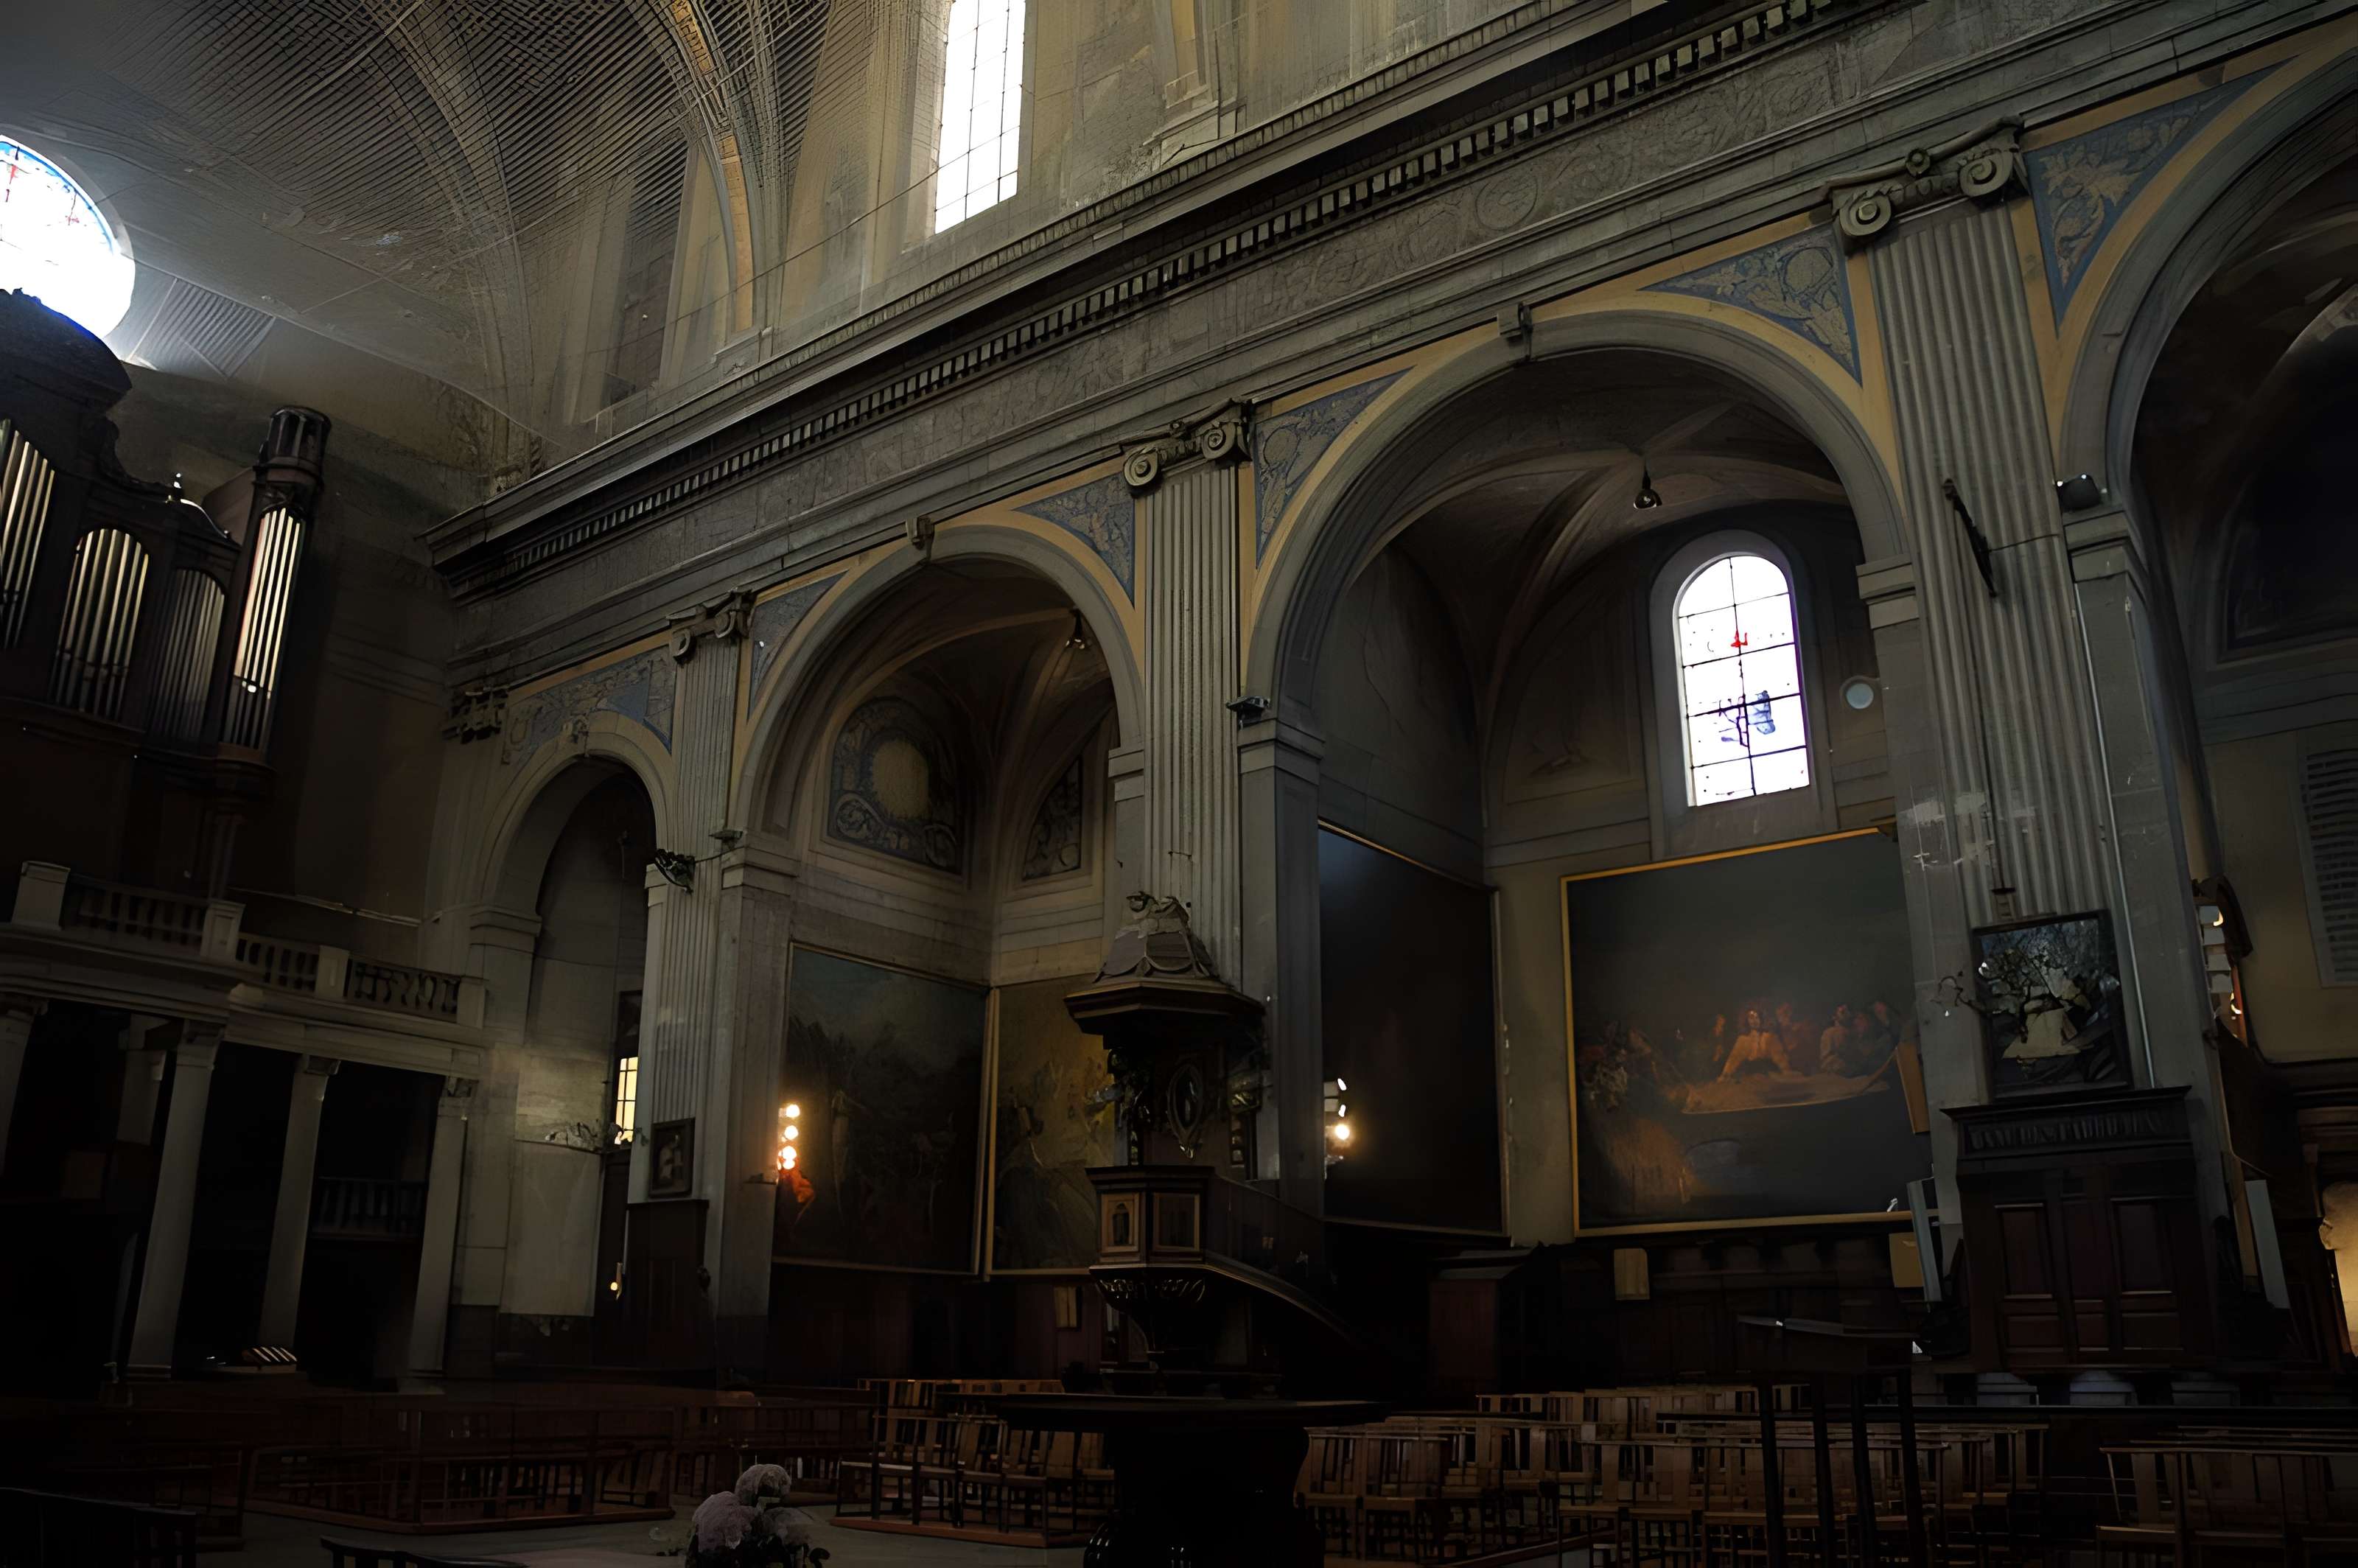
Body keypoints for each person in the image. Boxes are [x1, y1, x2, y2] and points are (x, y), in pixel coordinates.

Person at [1718, 1008, 1788, 1080]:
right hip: (1749, 1074)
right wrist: (1725, 1074)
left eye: (1757, 1017)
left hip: (1768, 1072)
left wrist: (1785, 1070)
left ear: (1761, 1019)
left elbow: (1779, 1056)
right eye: (1751, 1018)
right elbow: (1734, 1059)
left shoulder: (1770, 1037)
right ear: (1747, 1020)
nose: (1754, 1021)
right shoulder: (1742, 1040)